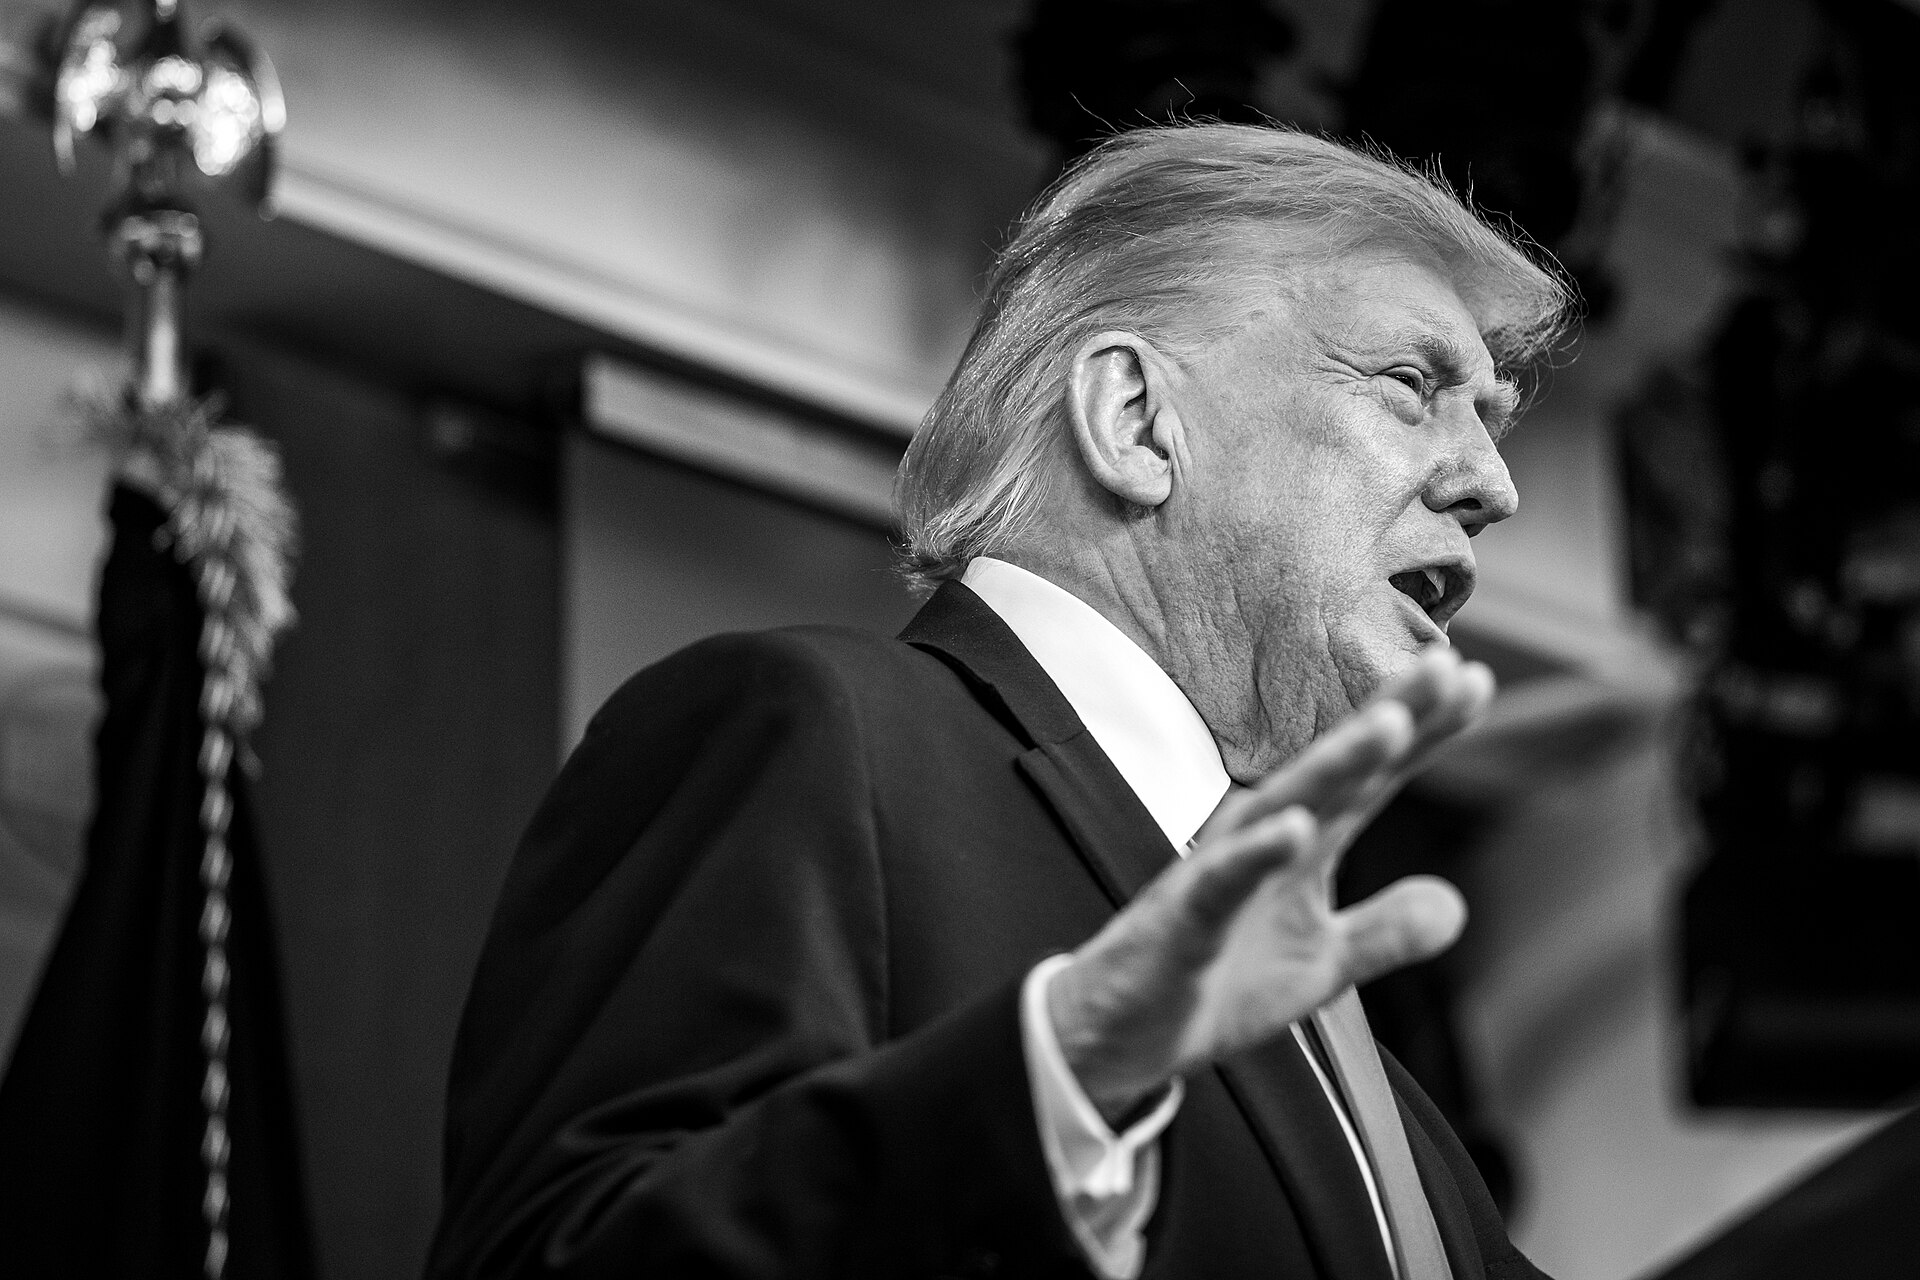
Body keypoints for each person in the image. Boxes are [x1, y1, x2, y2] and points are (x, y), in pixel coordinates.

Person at [427, 123, 1572, 1280]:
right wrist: (1055, 1083)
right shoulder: (812, 732)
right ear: (1135, 420)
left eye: (1491, 420)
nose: (1494, 485)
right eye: (1413, 385)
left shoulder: (1367, 1078)